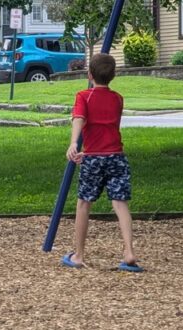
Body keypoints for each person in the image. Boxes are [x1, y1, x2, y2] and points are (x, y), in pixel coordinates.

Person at [60, 53, 142, 272]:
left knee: (84, 204)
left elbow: (79, 118)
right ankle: (129, 251)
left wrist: (74, 143)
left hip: (94, 158)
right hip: (117, 157)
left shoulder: (83, 96)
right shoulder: (118, 99)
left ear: (89, 75)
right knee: (120, 203)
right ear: (113, 75)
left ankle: (78, 255)